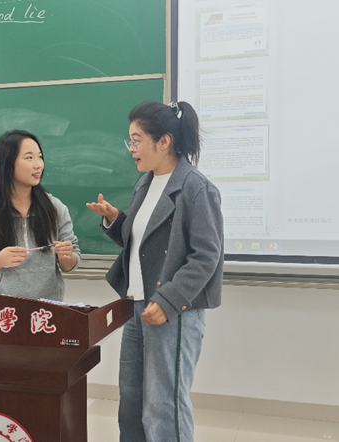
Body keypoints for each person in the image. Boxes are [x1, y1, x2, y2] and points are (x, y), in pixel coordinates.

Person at [86, 101, 224, 442]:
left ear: (164, 142)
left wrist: (168, 300)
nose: (131, 149)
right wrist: (114, 219)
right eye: (129, 141)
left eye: (136, 140)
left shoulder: (195, 187)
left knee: (163, 405)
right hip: (137, 306)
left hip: (173, 310)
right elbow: (143, 243)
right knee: (132, 402)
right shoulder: (145, 183)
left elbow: (207, 256)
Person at [0, 129, 81, 300]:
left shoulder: (55, 207)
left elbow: (70, 264)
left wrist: (67, 255)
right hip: (0, 311)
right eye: (29, 158)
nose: (38, 165)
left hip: (47, 310)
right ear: (8, 163)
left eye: (40, 157)